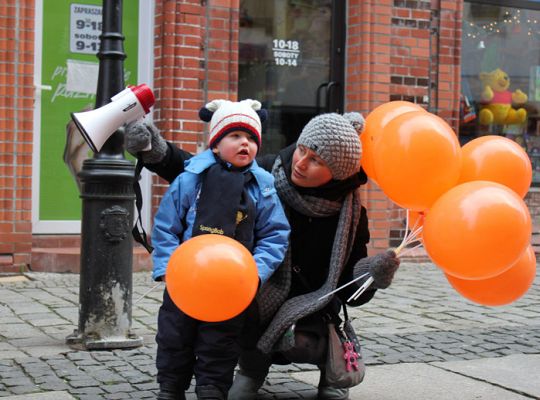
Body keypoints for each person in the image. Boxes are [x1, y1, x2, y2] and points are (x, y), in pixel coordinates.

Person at [126, 110, 400, 400]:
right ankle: (249, 370)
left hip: (308, 306)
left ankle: (330, 372)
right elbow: (204, 171)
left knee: (303, 341)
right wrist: (156, 152)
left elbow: (347, 289)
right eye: (302, 150)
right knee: (199, 329)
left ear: (338, 173)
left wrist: (370, 274)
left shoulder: (352, 216)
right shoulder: (268, 174)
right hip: (256, 292)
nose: (301, 163)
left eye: (316, 161)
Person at [150, 99, 290, 400]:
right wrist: (166, 269)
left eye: (252, 138)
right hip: (185, 280)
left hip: (231, 285)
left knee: (221, 340)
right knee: (175, 334)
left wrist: (255, 272)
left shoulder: (262, 187)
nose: (246, 143)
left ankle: (212, 388)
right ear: (215, 144)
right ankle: (170, 386)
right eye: (236, 136)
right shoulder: (190, 180)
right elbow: (166, 226)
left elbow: (275, 234)